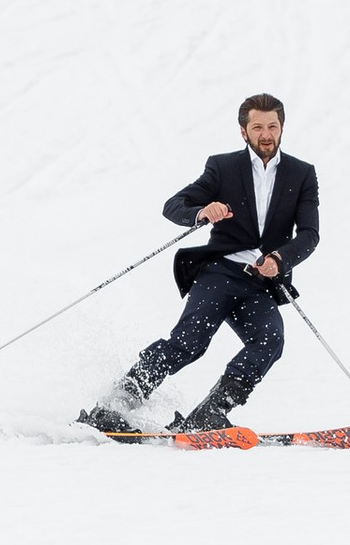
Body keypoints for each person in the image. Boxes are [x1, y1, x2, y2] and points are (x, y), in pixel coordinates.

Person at [82, 94, 320, 440]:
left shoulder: (301, 174)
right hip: (219, 274)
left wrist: (279, 260)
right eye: (258, 127)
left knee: (270, 340)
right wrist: (201, 212)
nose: (266, 134)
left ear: (282, 127)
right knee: (188, 342)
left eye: (273, 126)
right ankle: (116, 403)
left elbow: (310, 234)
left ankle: (211, 412)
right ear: (244, 131)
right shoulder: (224, 168)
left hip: (260, 283)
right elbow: (174, 205)